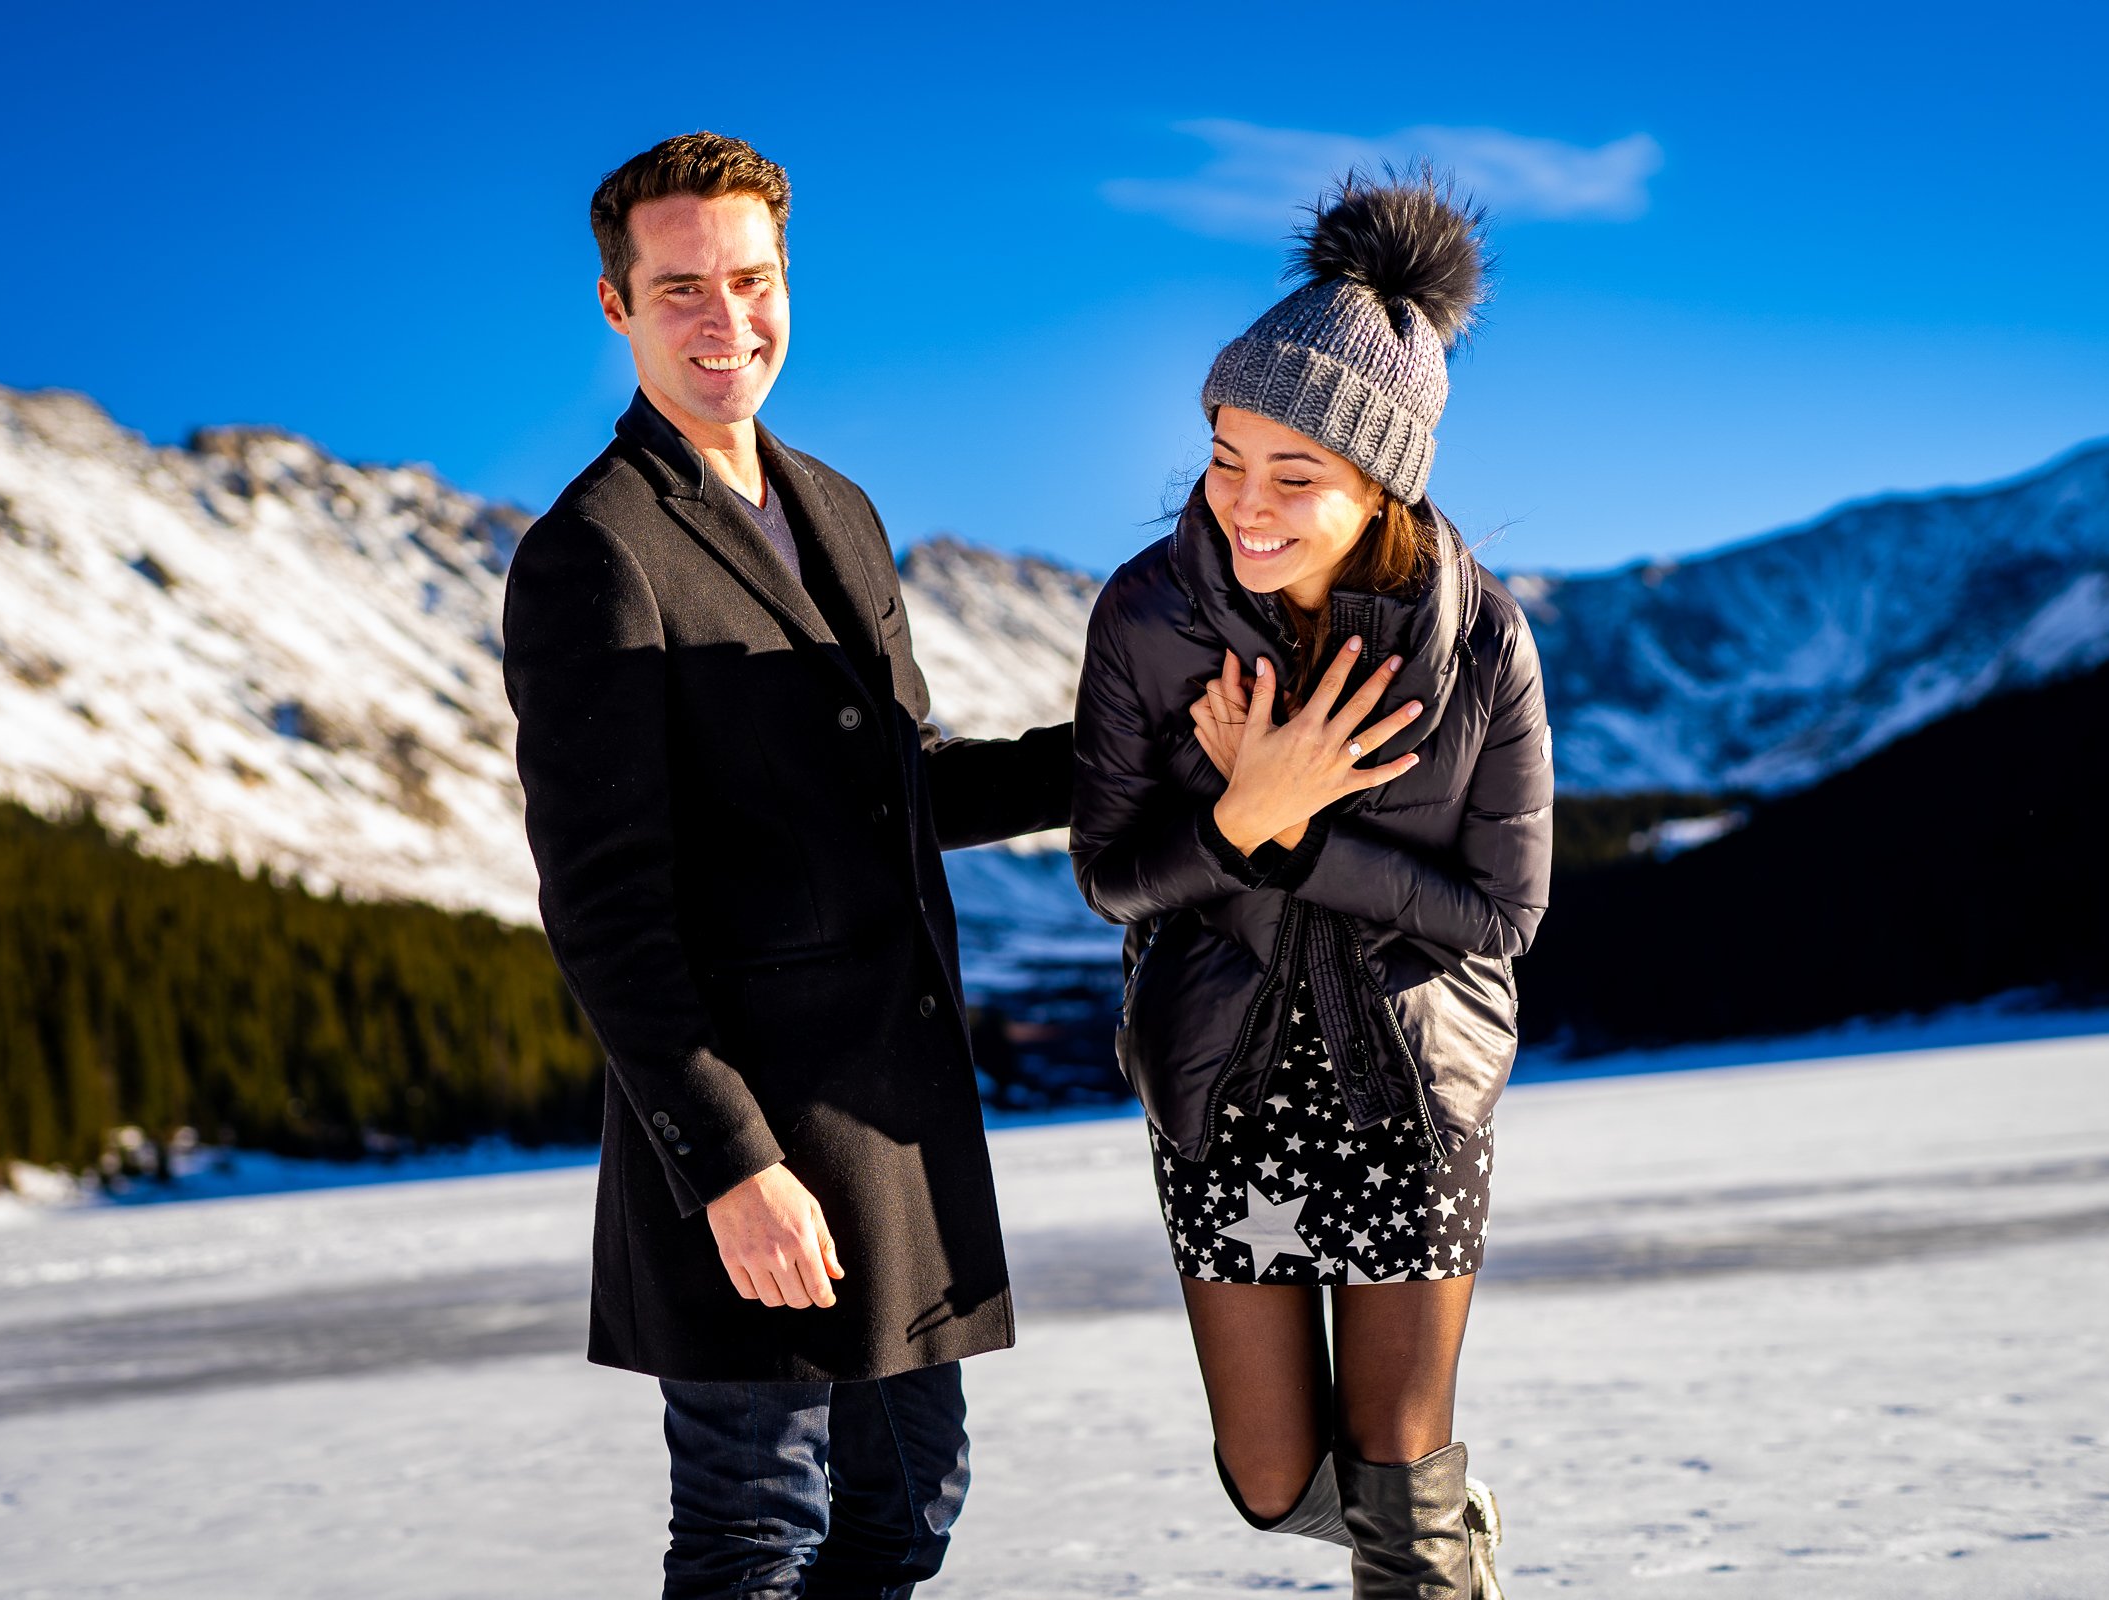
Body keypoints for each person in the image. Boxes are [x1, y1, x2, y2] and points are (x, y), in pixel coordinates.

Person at [501, 132, 1073, 1600]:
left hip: (890, 1133)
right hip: (749, 1148)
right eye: (679, 287)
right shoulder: (596, 552)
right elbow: (605, 909)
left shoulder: (839, 510)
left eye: (749, 281)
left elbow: (894, 794)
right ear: (616, 308)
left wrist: (1125, 754)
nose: (725, 320)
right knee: (758, 1535)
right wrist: (733, 1167)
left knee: (905, 1523)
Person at [1070, 171, 1551, 1598]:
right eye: (1226, 456)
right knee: (1272, 1481)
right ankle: (1447, 1533)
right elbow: (1111, 875)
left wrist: (1293, 831)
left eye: (1296, 475)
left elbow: (1504, 915)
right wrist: (1233, 820)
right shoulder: (1147, 619)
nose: (1244, 503)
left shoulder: (1480, 645)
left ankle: (1430, 1541)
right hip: (1225, 1082)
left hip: (1416, 1079)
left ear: (1381, 484)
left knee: (1396, 1476)